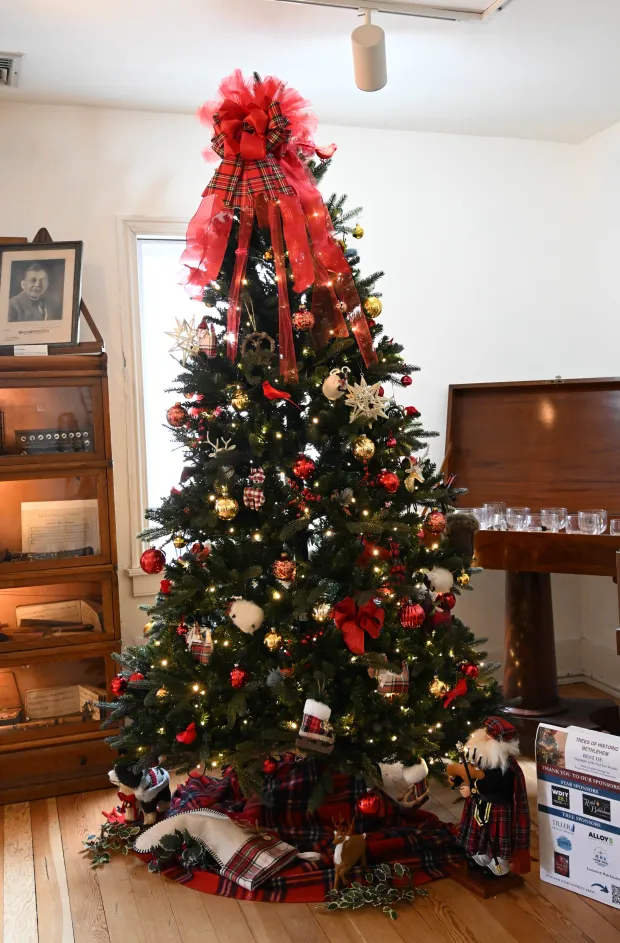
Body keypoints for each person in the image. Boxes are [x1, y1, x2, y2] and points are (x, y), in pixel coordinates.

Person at [452, 716, 531, 877]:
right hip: (481, 805)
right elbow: (472, 770)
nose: (485, 737)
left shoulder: (505, 766)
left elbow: (493, 783)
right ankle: (482, 855)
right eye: (486, 733)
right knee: (482, 832)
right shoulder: (483, 755)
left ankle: (499, 865)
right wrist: (458, 778)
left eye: (490, 736)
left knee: (496, 836)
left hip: (497, 808)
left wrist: (473, 789)